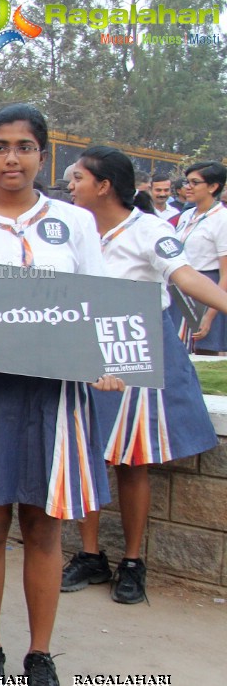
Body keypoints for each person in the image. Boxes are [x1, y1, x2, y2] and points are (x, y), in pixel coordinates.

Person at [0, 103, 123, 686]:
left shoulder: (72, 223)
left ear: (44, 155)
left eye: (24, 147)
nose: (11, 158)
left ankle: (39, 656)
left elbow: (97, 301)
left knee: (44, 527)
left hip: (56, 394)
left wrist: (108, 360)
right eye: (0, 146)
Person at [64, 147, 227, 604]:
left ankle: (132, 561)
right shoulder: (73, 231)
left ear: (104, 185)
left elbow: (186, 275)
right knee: (90, 451)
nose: (70, 186)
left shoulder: (150, 229)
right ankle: (90, 554)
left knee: (134, 458)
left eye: (77, 178)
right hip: (87, 346)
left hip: (136, 346)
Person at [174, 162, 227, 355]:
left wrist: (210, 314)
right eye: (187, 182)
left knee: (203, 353)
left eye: (195, 183)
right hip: (180, 288)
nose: (188, 187)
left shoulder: (222, 219)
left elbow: (226, 274)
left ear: (213, 187)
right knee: (177, 350)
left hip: (207, 290)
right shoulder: (187, 215)